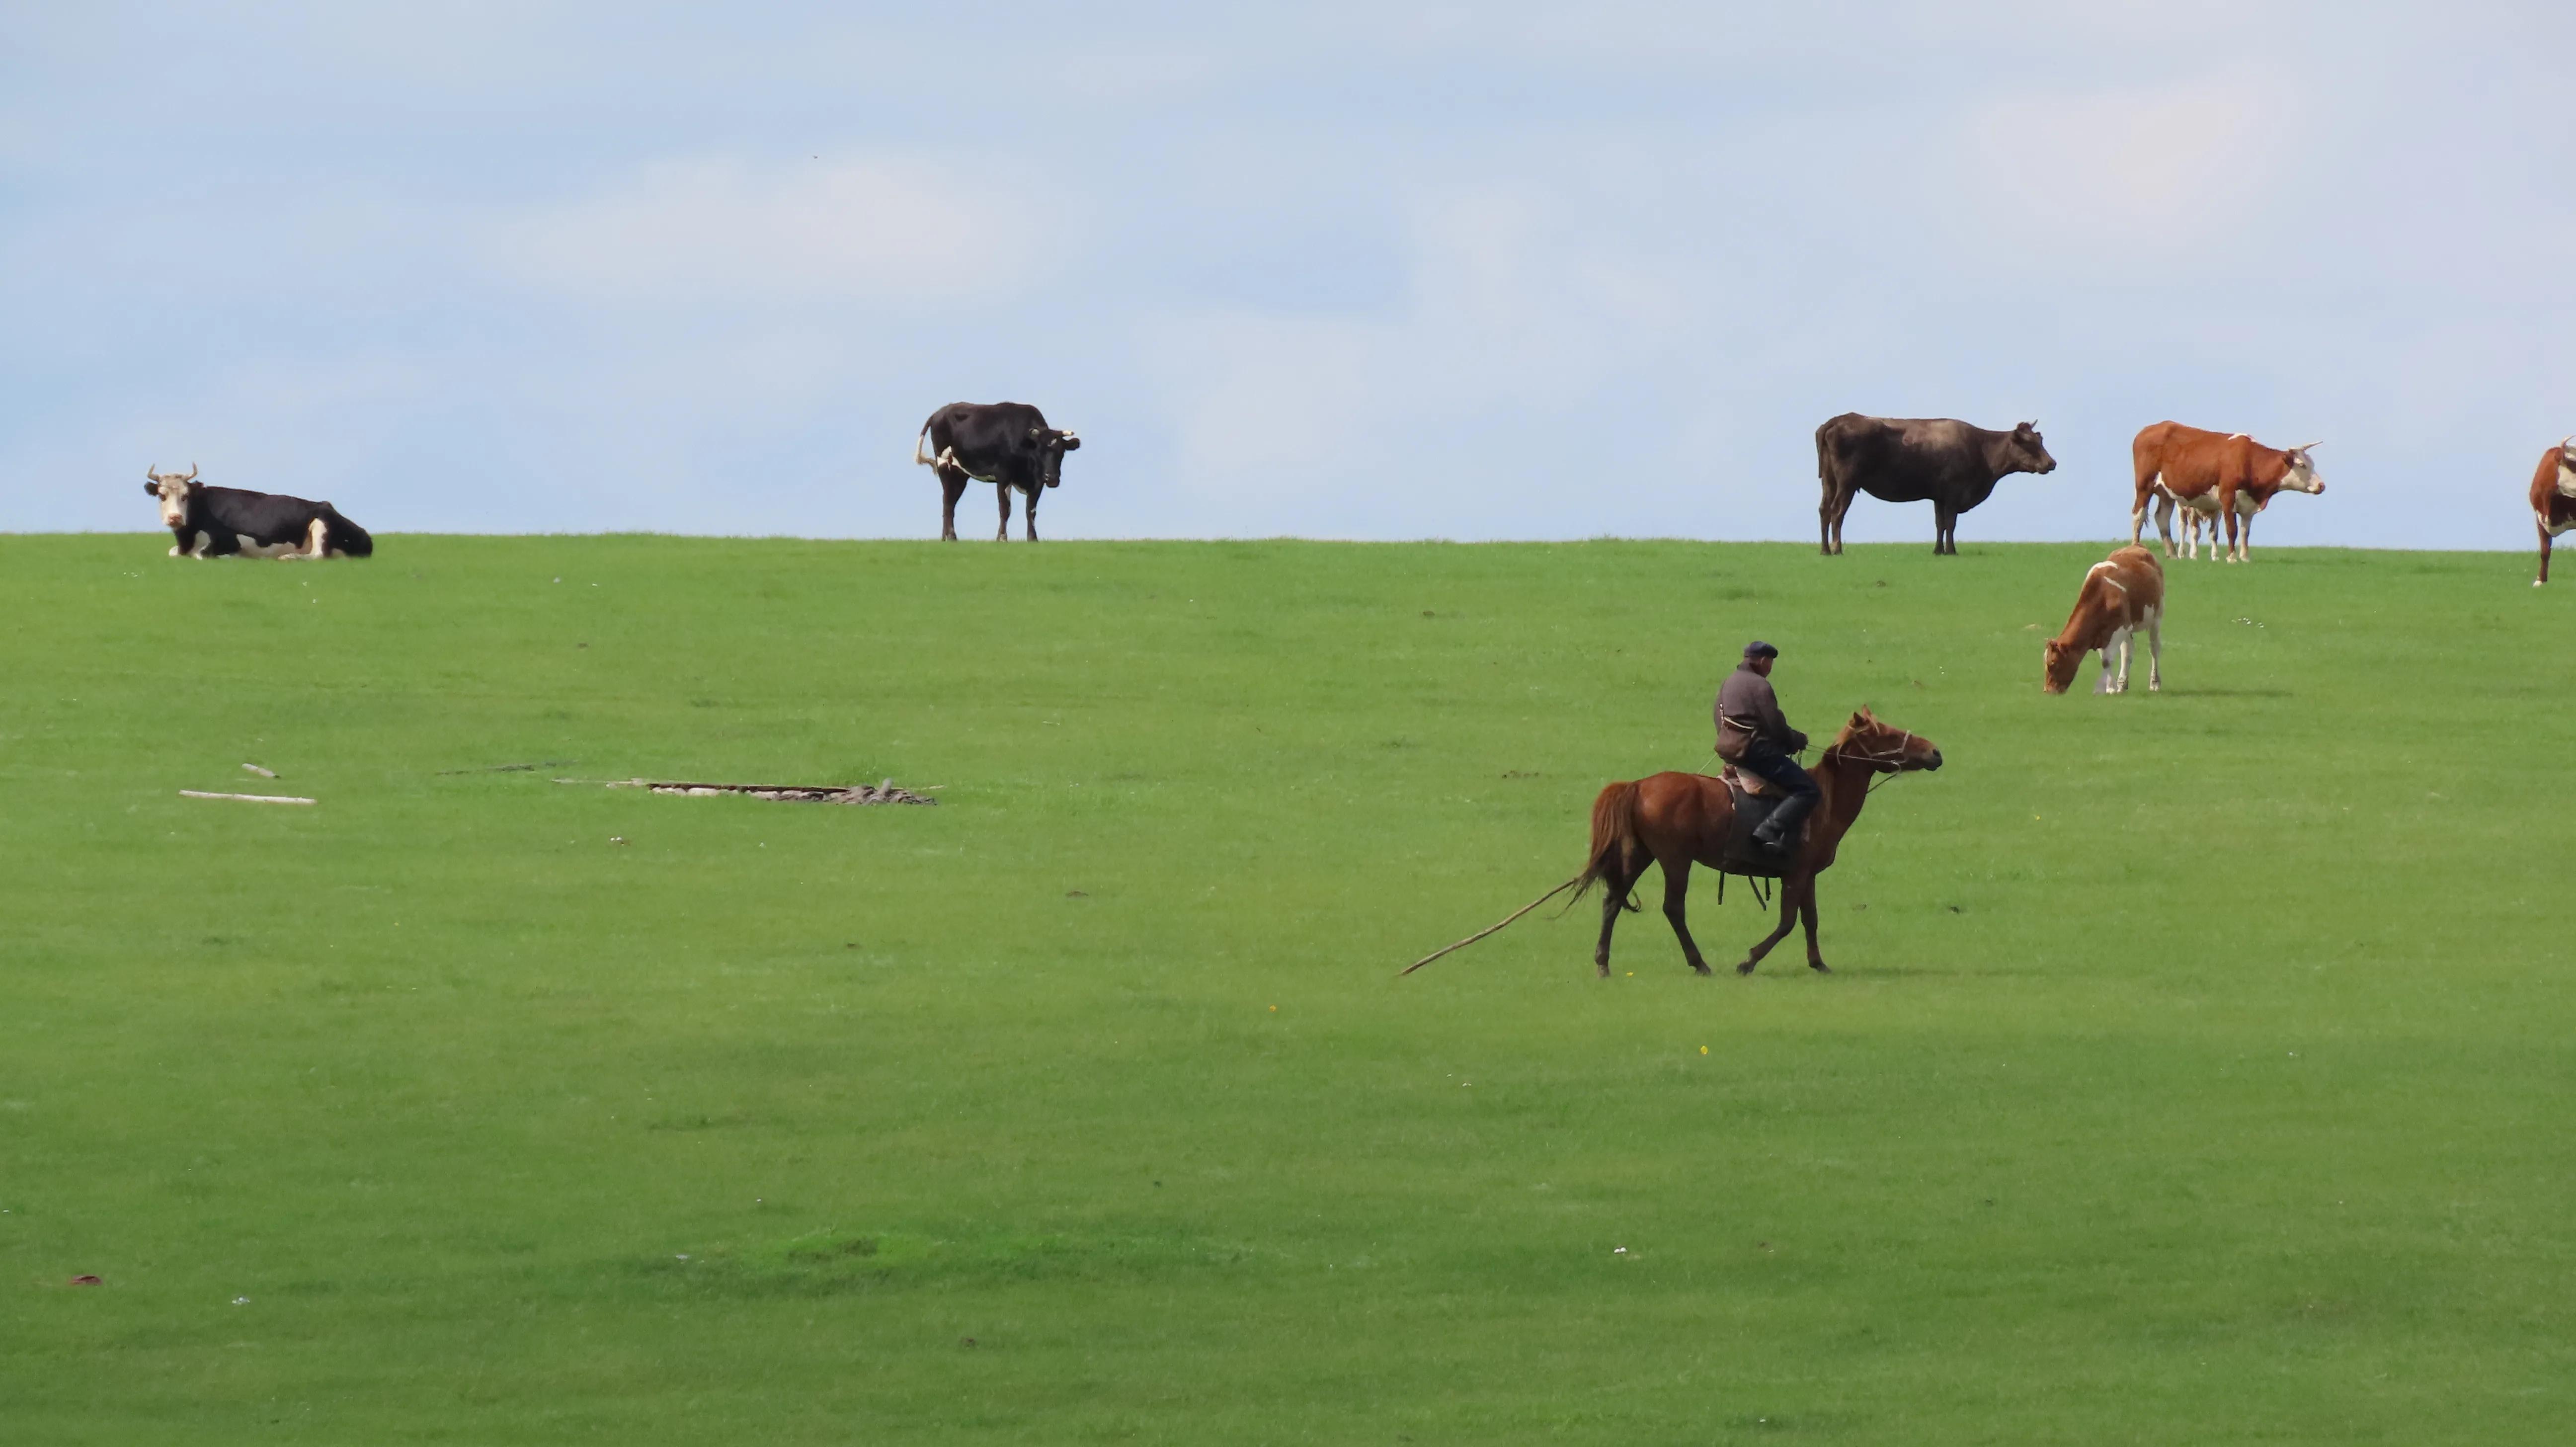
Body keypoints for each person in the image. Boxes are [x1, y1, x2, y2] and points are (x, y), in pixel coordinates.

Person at [1713, 640, 1817, 855]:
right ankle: (1769, 831)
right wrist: (1796, 741)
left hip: (1730, 750)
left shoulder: (1729, 683)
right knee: (1808, 789)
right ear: (1763, 661)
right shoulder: (1759, 685)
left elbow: (1718, 717)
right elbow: (1774, 724)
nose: (1770, 669)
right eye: (1770, 663)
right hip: (1755, 752)